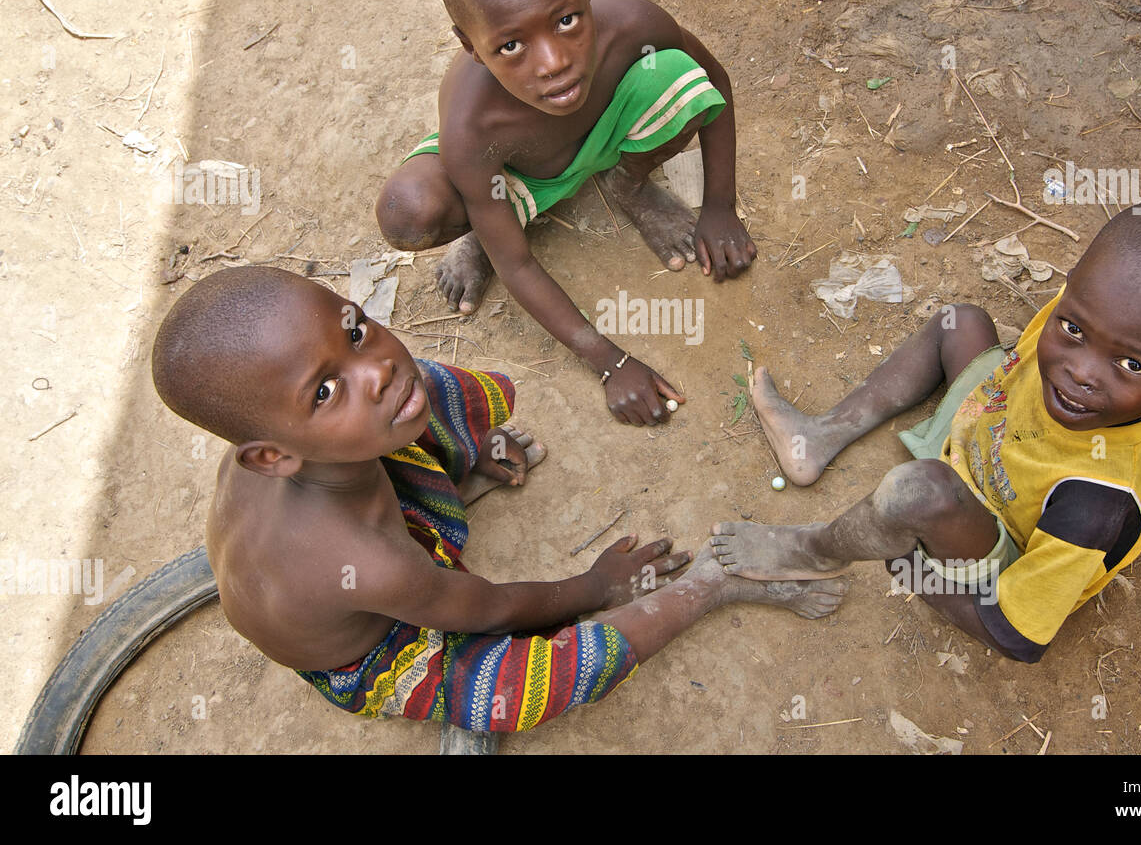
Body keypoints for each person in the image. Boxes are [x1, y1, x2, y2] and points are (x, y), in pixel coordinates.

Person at [151, 267, 845, 731]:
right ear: (270, 457)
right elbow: (490, 610)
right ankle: (711, 585)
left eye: (355, 329)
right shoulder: (366, 561)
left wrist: (457, 448)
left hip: (361, 511)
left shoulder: (289, 451)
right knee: (519, 688)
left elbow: (370, 394)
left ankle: (470, 459)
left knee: (420, 389)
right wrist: (592, 585)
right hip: (374, 648)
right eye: (325, 389)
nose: (377, 366)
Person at [710, 199, 1141, 662]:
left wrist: (916, 573)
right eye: (1072, 328)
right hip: (991, 425)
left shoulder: (1096, 504)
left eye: (1132, 365)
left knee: (918, 492)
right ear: (1072, 291)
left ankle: (814, 550)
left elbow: (1020, 636)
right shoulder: (1096, 323)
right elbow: (1040, 356)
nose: (1083, 372)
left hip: (995, 537)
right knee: (961, 322)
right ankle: (821, 436)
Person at [374, 0, 756, 426]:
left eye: (567, 19)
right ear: (468, 44)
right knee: (409, 209)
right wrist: (609, 363)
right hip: (512, 175)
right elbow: (519, 263)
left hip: (595, 140)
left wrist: (720, 205)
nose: (554, 62)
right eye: (509, 46)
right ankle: (481, 231)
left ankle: (629, 185)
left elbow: (715, 81)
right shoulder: (472, 127)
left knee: (678, 80)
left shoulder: (635, 25)